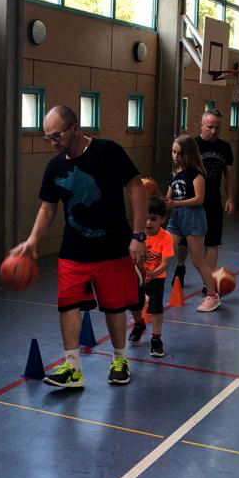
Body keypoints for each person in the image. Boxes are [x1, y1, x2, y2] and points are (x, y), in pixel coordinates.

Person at [11, 105, 148, 387]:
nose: (52, 142)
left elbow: (137, 188)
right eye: (48, 137)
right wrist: (33, 240)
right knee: (68, 305)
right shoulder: (55, 166)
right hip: (74, 250)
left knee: (114, 307)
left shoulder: (108, 151)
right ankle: (72, 368)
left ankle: (119, 360)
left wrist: (138, 236)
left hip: (112, 246)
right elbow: (48, 207)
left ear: (74, 128)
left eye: (56, 135)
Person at [172, 109, 235, 289]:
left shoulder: (225, 148)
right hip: (190, 201)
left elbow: (229, 175)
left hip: (213, 201)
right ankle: (180, 266)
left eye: (217, 127)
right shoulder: (192, 146)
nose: (214, 131)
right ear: (201, 126)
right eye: (210, 127)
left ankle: (209, 282)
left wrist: (230, 197)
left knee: (212, 242)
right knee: (184, 241)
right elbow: (178, 171)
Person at [166, 135, 221, 312]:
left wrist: (176, 203)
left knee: (198, 261)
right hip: (176, 218)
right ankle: (149, 292)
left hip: (193, 218)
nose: (175, 156)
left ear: (189, 154)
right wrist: (153, 194)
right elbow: (168, 199)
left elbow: (199, 199)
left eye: (179, 153)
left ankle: (213, 296)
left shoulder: (196, 174)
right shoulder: (174, 174)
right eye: (173, 152)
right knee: (163, 253)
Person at [127, 196, 174, 357]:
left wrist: (154, 273)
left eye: (153, 219)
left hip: (156, 277)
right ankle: (139, 324)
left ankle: (156, 338)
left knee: (156, 309)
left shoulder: (166, 237)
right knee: (134, 304)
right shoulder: (137, 236)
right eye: (146, 218)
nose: (148, 223)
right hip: (138, 277)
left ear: (163, 219)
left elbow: (165, 263)